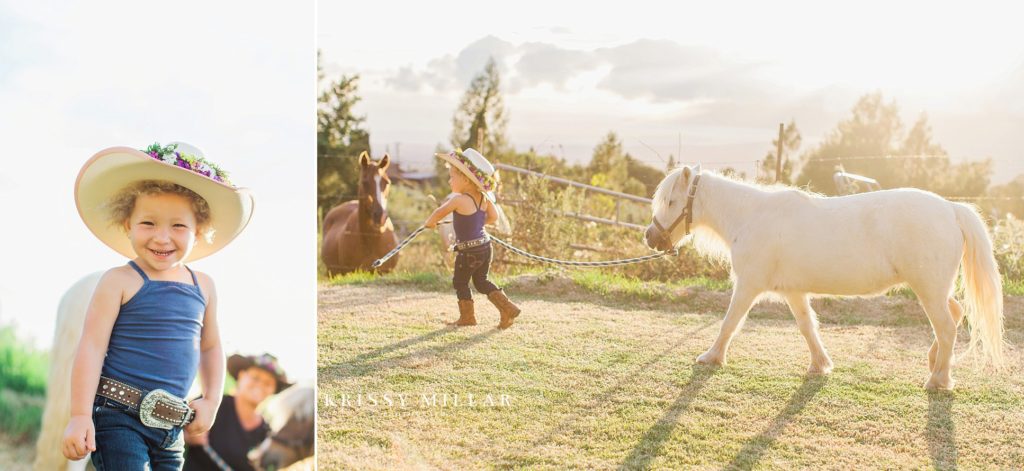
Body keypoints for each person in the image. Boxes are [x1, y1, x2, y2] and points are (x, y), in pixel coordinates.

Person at [61, 142, 255, 470]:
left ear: (200, 230)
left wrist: (211, 400)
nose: (162, 237)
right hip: (118, 417)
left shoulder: (203, 286)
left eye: (178, 226)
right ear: (127, 224)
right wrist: (80, 415)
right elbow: (92, 346)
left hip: (172, 426)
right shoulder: (119, 280)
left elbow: (211, 347)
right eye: (148, 223)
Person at [424, 148, 522, 328]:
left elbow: (440, 212)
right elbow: (493, 217)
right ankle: (507, 308)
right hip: (485, 247)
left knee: (460, 282)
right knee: (481, 281)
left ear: (466, 180)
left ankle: (468, 318)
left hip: (468, 251)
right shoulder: (484, 199)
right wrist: (476, 224)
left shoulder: (458, 200)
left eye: (452, 176)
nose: (449, 180)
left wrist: (430, 223)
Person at [184, 353, 292, 471]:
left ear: (273, 390)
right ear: (241, 375)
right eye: (255, 377)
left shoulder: (266, 433)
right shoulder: (212, 405)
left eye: (268, 383)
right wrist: (187, 437)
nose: (260, 385)